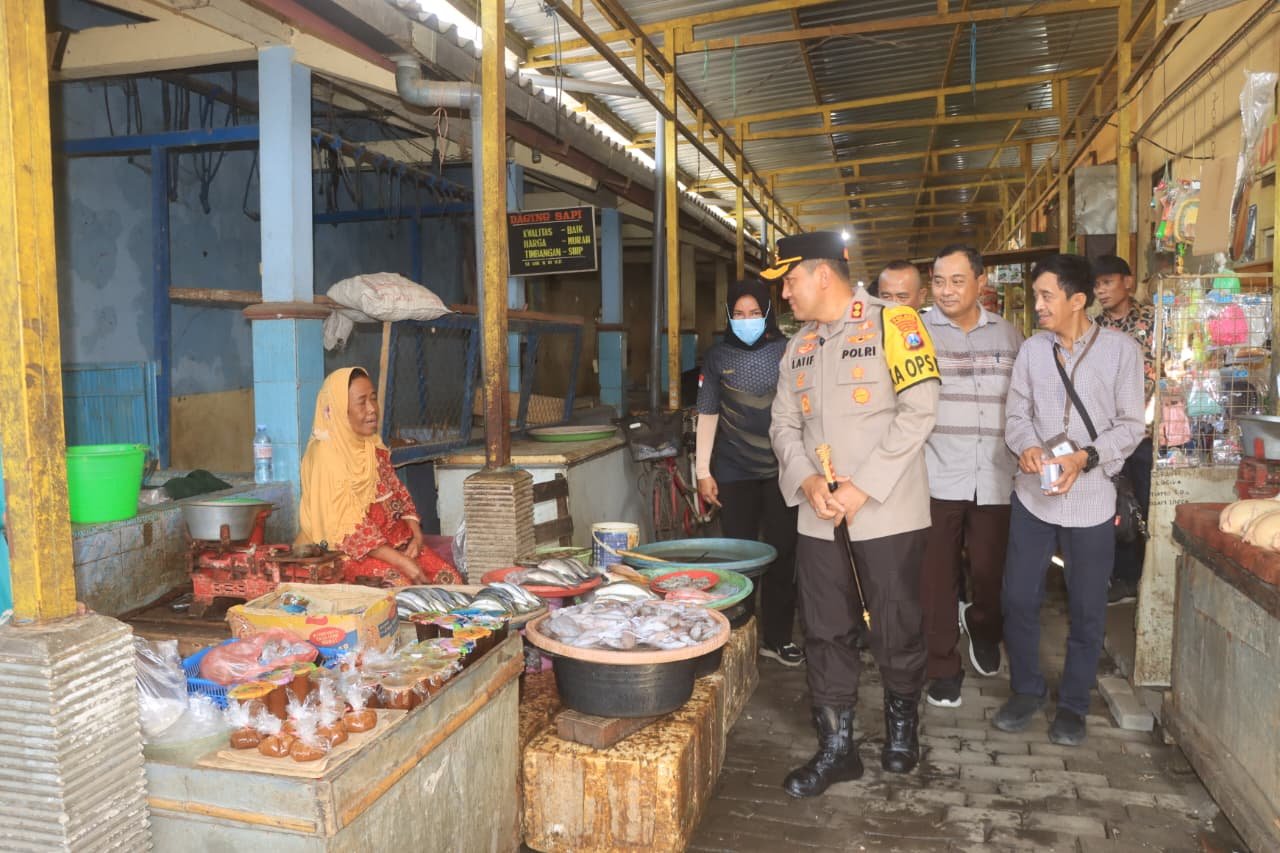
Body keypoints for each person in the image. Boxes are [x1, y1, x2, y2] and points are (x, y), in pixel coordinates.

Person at [765, 231, 940, 797]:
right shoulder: (798, 345)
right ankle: (837, 749)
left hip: (887, 511)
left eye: (790, 281)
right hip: (820, 514)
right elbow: (782, 425)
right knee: (823, 629)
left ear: (822, 275)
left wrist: (863, 488)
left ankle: (902, 728)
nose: (784, 294)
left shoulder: (894, 323)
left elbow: (920, 410)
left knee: (896, 622)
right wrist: (807, 479)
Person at [997, 254, 1144, 746]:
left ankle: (1074, 704)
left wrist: (1086, 457)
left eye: (1046, 296)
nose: (1037, 305)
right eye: (1035, 295)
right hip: (1033, 497)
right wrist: (1027, 446)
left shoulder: (1121, 352)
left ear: (1077, 300)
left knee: (1087, 607)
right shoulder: (1032, 351)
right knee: (1018, 597)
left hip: (1092, 499)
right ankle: (1026, 690)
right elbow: (1016, 414)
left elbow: (1131, 425)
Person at [920, 245, 1023, 709]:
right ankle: (942, 666)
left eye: (957, 281)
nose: (946, 291)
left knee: (990, 571)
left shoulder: (1009, 335)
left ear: (981, 282)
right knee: (935, 578)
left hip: (997, 475)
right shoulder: (915, 334)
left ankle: (983, 626)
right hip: (935, 474)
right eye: (939, 281)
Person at [695, 278, 802, 666]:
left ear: (768, 313)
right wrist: (702, 472)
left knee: (782, 554)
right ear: (728, 315)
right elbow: (708, 413)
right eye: (738, 314)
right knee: (739, 557)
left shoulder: (788, 350)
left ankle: (778, 638)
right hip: (733, 470)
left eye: (754, 313)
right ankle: (740, 634)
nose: (746, 320)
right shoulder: (717, 356)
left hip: (782, 470)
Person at [297, 367, 461, 586]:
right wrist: (402, 562)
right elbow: (346, 530)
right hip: (347, 553)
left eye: (373, 399)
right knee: (402, 588)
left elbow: (399, 495)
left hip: (393, 543)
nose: (372, 409)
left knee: (449, 580)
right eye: (361, 402)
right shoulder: (326, 456)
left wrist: (416, 536)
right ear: (339, 410)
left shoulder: (372, 446)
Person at [1092, 254, 1155, 605]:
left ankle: (1145, 578)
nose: (1101, 290)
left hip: (1146, 434)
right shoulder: (1094, 329)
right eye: (1096, 285)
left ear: (1127, 283)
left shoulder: (1153, 321)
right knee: (1113, 506)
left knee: (1145, 503)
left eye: (1107, 282)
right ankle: (1118, 578)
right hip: (1108, 435)